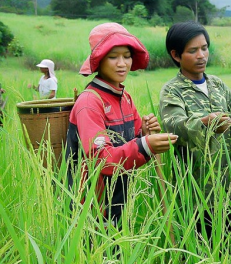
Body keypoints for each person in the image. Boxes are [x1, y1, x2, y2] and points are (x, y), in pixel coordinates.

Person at [65, 22, 178, 227]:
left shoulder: (125, 98)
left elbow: (132, 141)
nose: (122, 63)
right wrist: (146, 145)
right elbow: (102, 160)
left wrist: (144, 132)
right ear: (99, 60)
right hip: (91, 209)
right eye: (113, 56)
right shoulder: (90, 102)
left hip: (119, 201)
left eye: (126, 56)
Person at [159, 21, 231, 238]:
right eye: (193, 51)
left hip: (230, 187)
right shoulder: (172, 90)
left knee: (230, 246)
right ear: (176, 55)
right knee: (201, 248)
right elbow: (175, 127)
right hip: (196, 191)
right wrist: (205, 123)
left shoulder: (218, 85)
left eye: (204, 48)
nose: (201, 55)